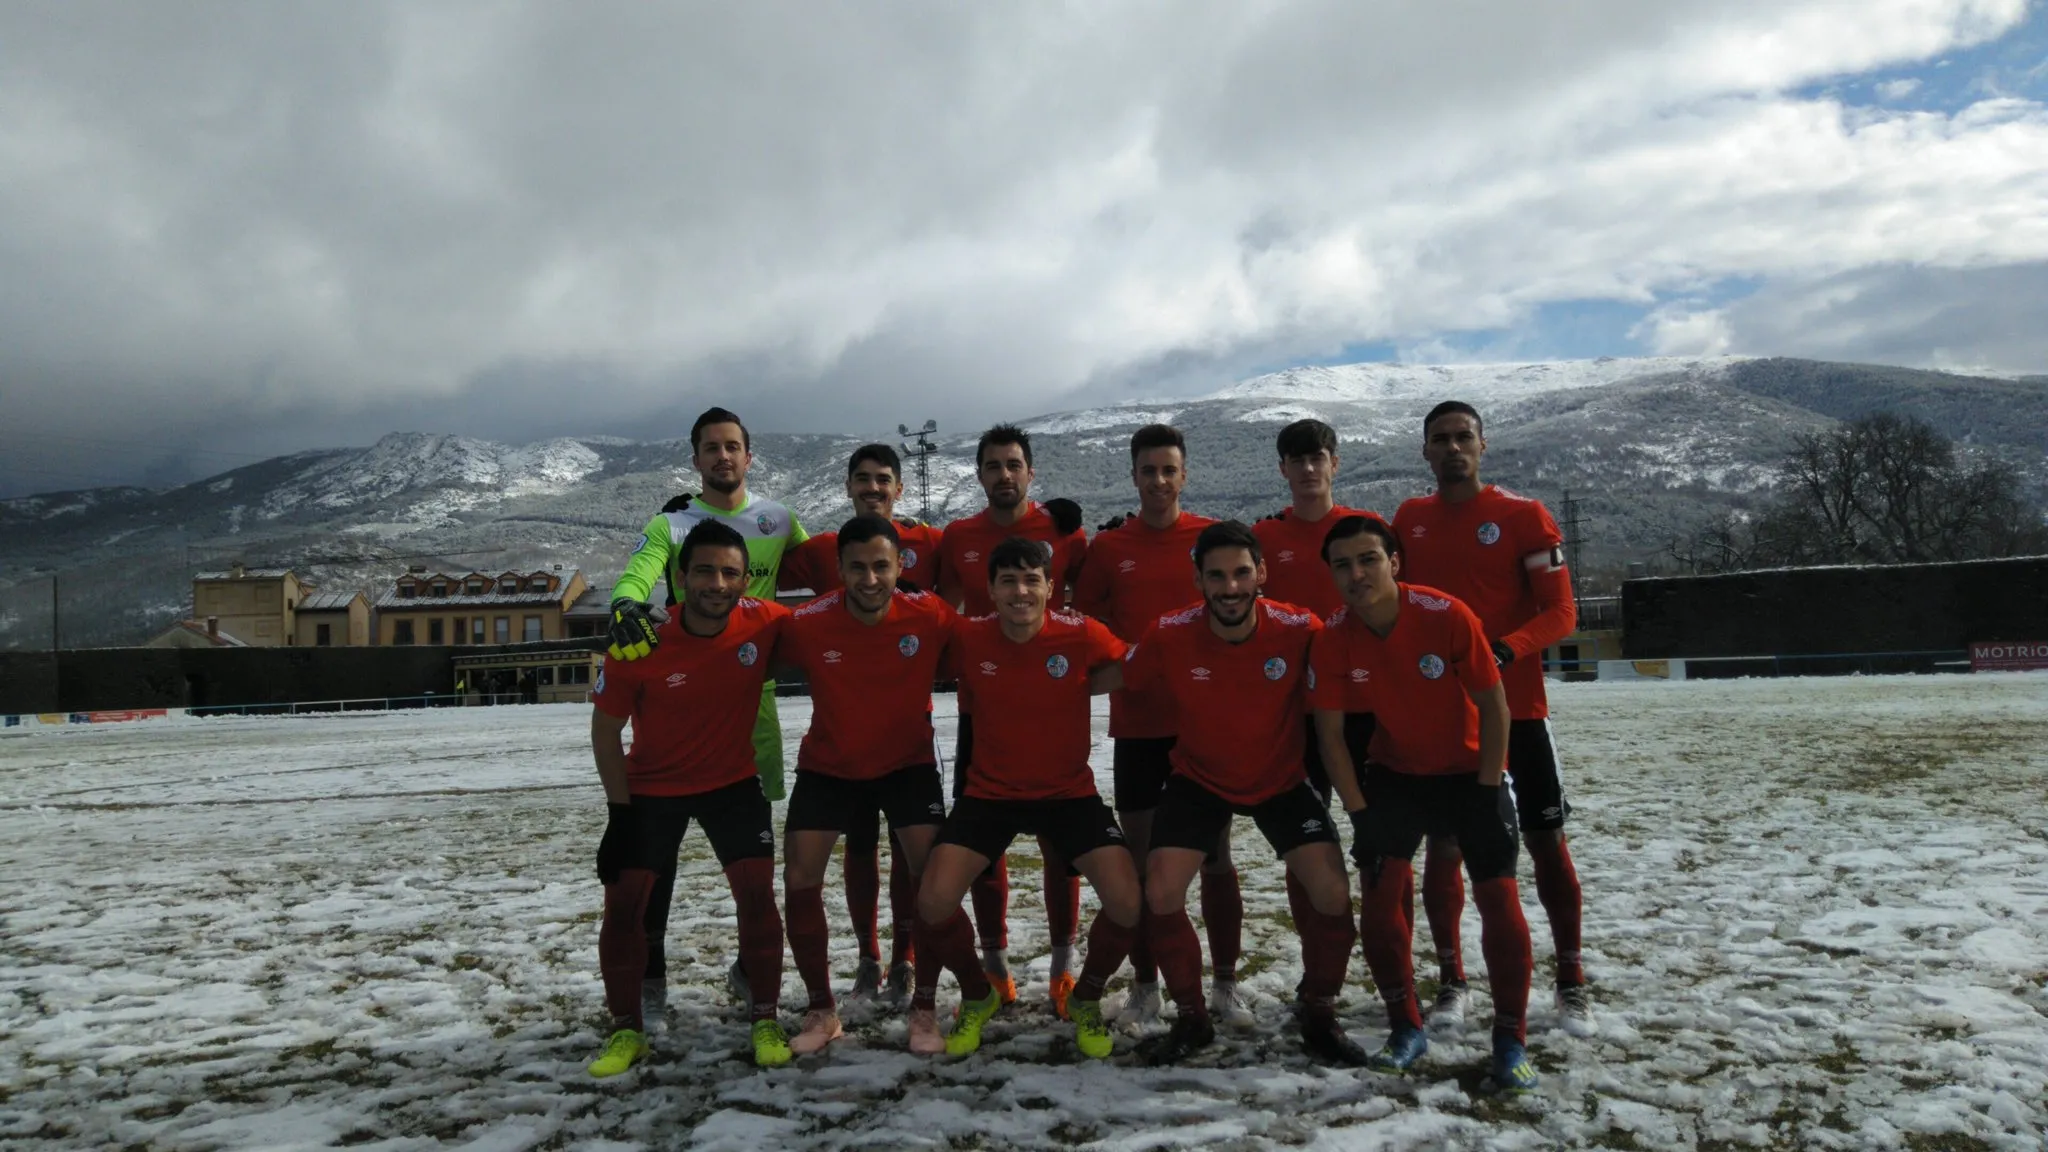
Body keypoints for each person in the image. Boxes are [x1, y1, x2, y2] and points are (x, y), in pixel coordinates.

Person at [1110, 521, 1366, 1066]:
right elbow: (1112, 674)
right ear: (1198, 581)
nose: (1230, 588)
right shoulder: (1169, 632)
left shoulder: (1301, 628)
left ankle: (1318, 1011)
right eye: (1217, 576)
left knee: (1333, 895)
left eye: (1242, 573)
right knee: (1159, 892)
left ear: (1262, 574)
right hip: (1198, 779)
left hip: (1281, 782)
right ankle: (1192, 1018)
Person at [1309, 514, 1538, 1092]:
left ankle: (1511, 1040)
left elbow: (1495, 708)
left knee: (1499, 898)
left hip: (1471, 775)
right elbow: (1331, 736)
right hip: (1397, 776)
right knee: (1381, 900)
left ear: (1394, 562)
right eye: (1342, 565)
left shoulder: (1446, 614)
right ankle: (1405, 1027)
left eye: (1368, 560)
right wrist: (1359, 812)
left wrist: (1488, 792)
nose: (1356, 574)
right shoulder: (1335, 636)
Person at [1392, 401, 1591, 1036]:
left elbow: (1561, 613)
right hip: (1446, 718)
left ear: (1483, 446)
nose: (1453, 449)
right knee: (1444, 847)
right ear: (1425, 451)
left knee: (1544, 841)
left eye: (1463, 438)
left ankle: (1570, 979)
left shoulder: (1522, 516)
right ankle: (1452, 981)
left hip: (1519, 711)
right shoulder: (1411, 520)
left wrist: (1501, 651)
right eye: (1440, 440)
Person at [606, 407, 808, 1010]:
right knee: (654, 866)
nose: (723, 457)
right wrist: (624, 605)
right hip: (678, 699)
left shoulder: (778, 519)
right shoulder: (672, 523)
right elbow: (638, 575)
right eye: (711, 448)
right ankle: (650, 982)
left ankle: (751, 973)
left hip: (754, 706)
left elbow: (830, 567)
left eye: (732, 447)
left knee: (753, 864)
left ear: (750, 455)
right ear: (695, 459)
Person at [910, 537, 1141, 1058]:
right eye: (1008, 581)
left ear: (1050, 588)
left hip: (1068, 793)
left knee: (1128, 902)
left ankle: (1085, 996)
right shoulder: (969, 637)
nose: (1020, 591)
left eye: (1031, 579)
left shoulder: (1081, 633)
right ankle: (977, 993)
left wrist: (1085, 684)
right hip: (991, 795)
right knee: (933, 901)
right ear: (990, 589)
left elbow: (1127, 667)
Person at [585, 519, 794, 1077]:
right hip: (652, 791)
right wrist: (617, 814)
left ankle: (766, 1018)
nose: (717, 584)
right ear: (680, 578)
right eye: (704, 571)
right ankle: (627, 1030)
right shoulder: (640, 642)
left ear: (746, 580)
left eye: (729, 573)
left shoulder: (766, 623)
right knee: (625, 908)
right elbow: (605, 734)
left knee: (756, 900)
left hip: (733, 785)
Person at [1071, 424, 1246, 1029]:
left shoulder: (1209, 540)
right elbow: (1084, 622)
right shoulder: (1111, 548)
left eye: (1170, 471)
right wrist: (1135, 663)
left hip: (1204, 727)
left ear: (1184, 475)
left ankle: (1224, 984)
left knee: (1216, 857)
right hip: (1139, 727)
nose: (1160, 482)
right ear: (1134, 476)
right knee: (1144, 865)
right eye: (1149, 471)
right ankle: (1147, 986)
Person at [774, 516, 958, 1055]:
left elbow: (993, 640)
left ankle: (923, 1008)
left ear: (900, 566)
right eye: (857, 567)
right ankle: (821, 1011)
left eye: (881, 565)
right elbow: (742, 635)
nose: (870, 578)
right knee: (801, 877)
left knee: (931, 881)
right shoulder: (807, 621)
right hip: (830, 767)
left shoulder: (930, 613)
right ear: (840, 570)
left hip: (907, 765)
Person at [935, 424, 1088, 1009]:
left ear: (1031, 472)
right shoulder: (959, 536)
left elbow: (1085, 601)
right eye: (993, 465)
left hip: (1053, 713)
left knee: (1061, 848)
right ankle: (995, 963)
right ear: (979, 474)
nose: (1004, 474)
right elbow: (941, 608)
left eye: (1014, 464)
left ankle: (1062, 967)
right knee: (983, 849)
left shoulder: (1062, 529)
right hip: (984, 711)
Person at [1252, 419, 1387, 963]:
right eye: (1297, 460)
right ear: (1282, 468)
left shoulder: (1367, 530)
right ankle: (1318, 972)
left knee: (1382, 845)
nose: (1308, 469)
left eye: (1318, 458)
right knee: (1304, 849)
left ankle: (1386, 964)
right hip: (1296, 717)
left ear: (1335, 463)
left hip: (1367, 713)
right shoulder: (1265, 538)